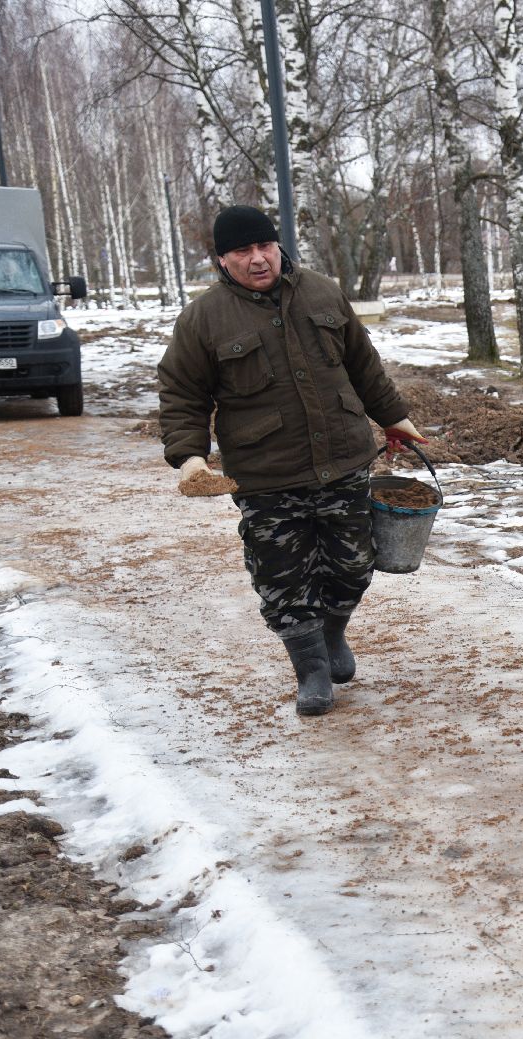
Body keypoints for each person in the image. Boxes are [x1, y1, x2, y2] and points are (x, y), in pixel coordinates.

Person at [157, 205, 427, 716]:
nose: (258, 259)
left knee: (353, 564)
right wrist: (190, 456)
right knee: (283, 576)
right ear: (222, 259)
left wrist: (394, 417)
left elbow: (363, 365)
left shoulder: (323, 291)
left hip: (344, 458)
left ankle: (333, 632)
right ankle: (312, 669)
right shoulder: (203, 319)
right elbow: (181, 394)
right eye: (243, 251)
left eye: (265, 247)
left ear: (278, 246)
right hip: (266, 473)